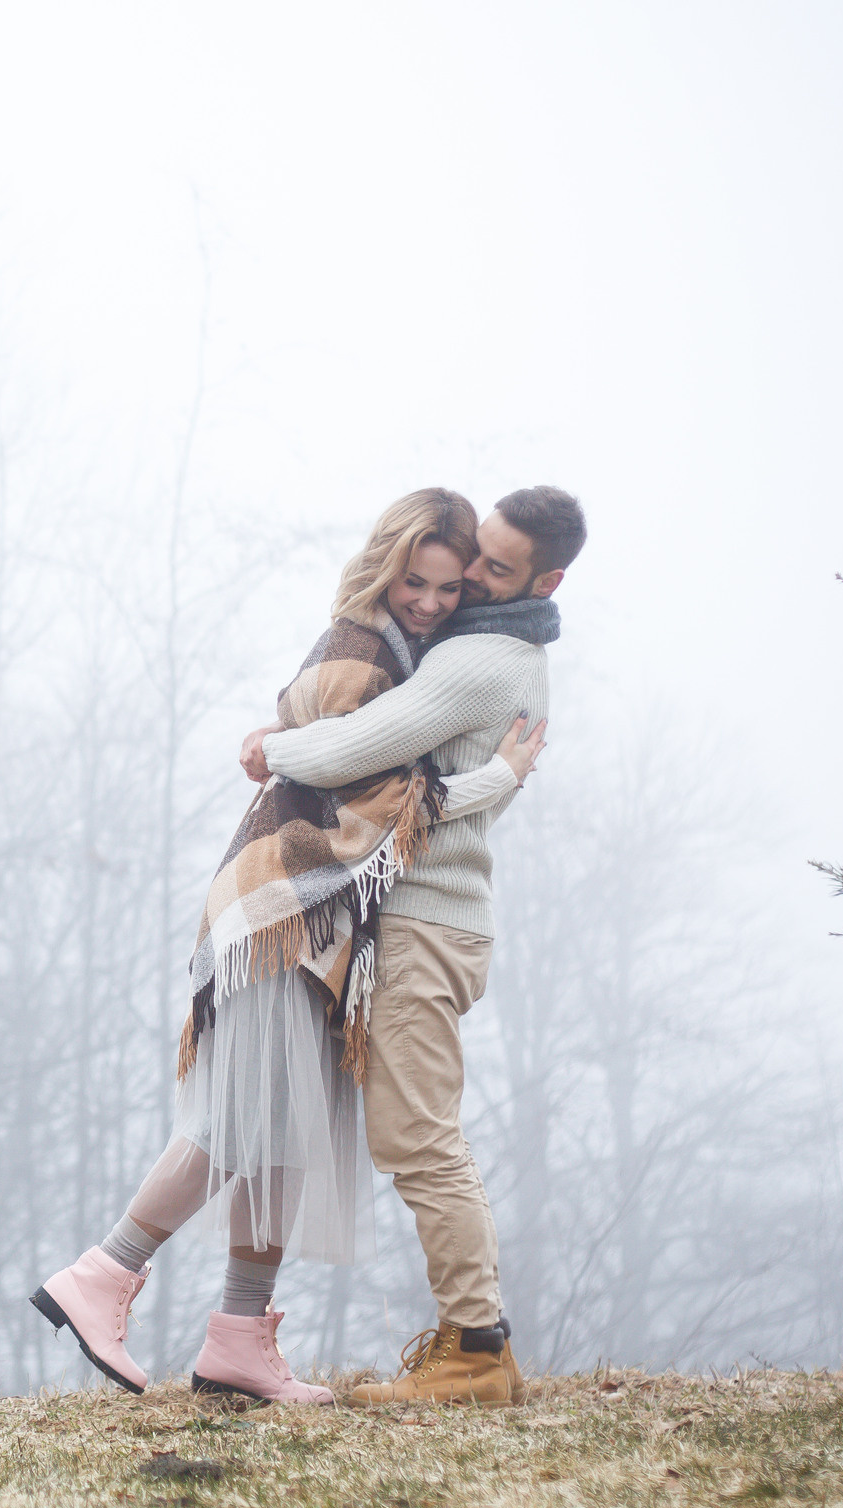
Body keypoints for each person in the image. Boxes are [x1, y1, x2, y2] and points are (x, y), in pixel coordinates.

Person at [30, 488, 547, 1404]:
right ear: (384, 567)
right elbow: (378, 793)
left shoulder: (412, 655)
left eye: (447, 586)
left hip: (321, 916)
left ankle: (237, 1336)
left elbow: (349, 766)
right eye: (413, 581)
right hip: (285, 905)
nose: (430, 600)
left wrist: (288, 740)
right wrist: (495, 779)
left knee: (281, 1130)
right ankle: (103, 1275)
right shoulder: (360, 651)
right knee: (240, 1121)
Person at [244, 484, 582, 1408]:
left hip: (429, 924)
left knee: (420, 1139)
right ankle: (483, 1348)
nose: (470, 576)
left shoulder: (478, 661)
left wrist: (273, 744)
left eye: (495, 567)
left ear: (544, 579)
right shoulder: (505, 650)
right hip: (444, 918)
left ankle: (473, 1349)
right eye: (478, 553)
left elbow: (353, 749)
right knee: (425, 1135)